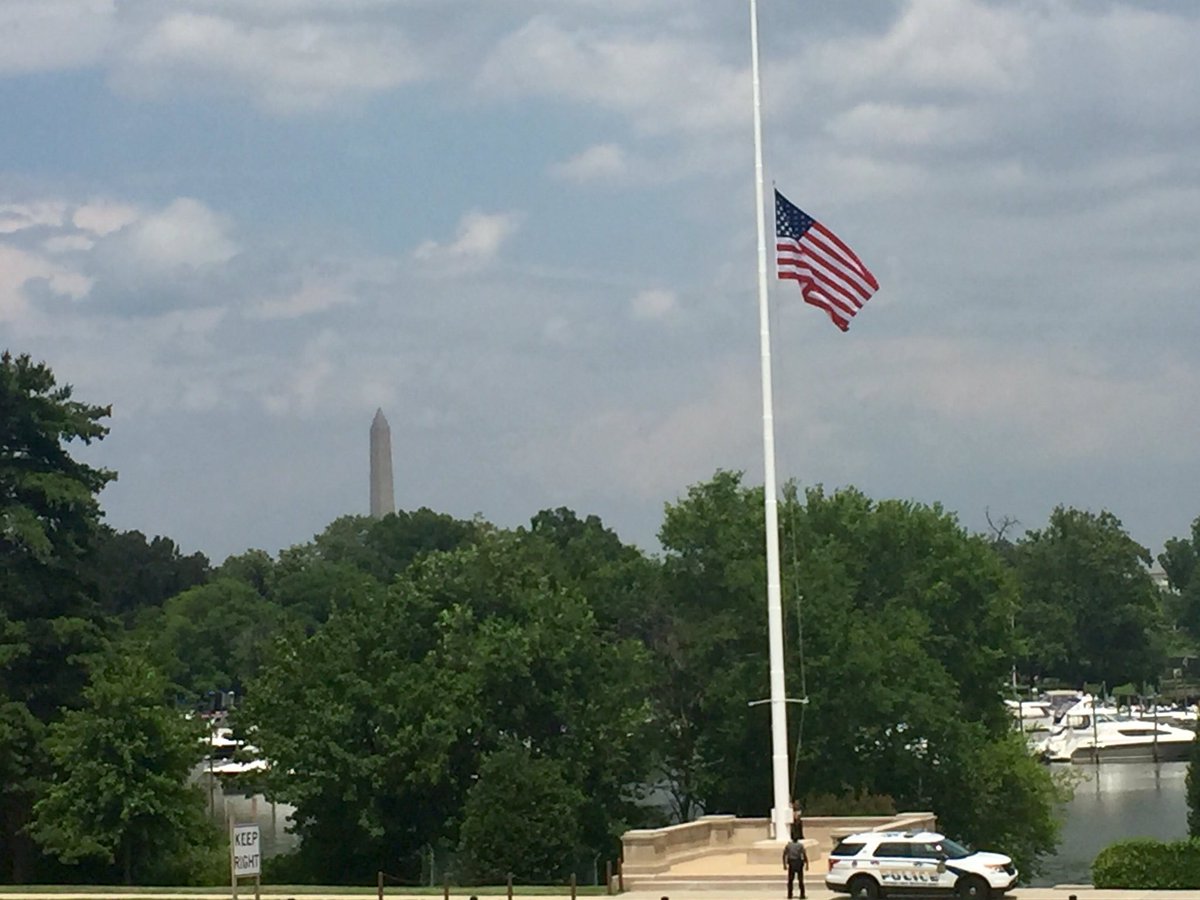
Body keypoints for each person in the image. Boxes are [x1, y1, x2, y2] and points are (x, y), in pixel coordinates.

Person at [783, 831, 808, 899]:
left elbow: (784, 855)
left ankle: (790, 894)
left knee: (790, 880)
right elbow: (804, 854)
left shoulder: (788, 845)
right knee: (800, 880)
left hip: (792, 862)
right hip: (799, 862)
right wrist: (807, 863)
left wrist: (784, 864)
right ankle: (802, 894)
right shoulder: (800, 845)